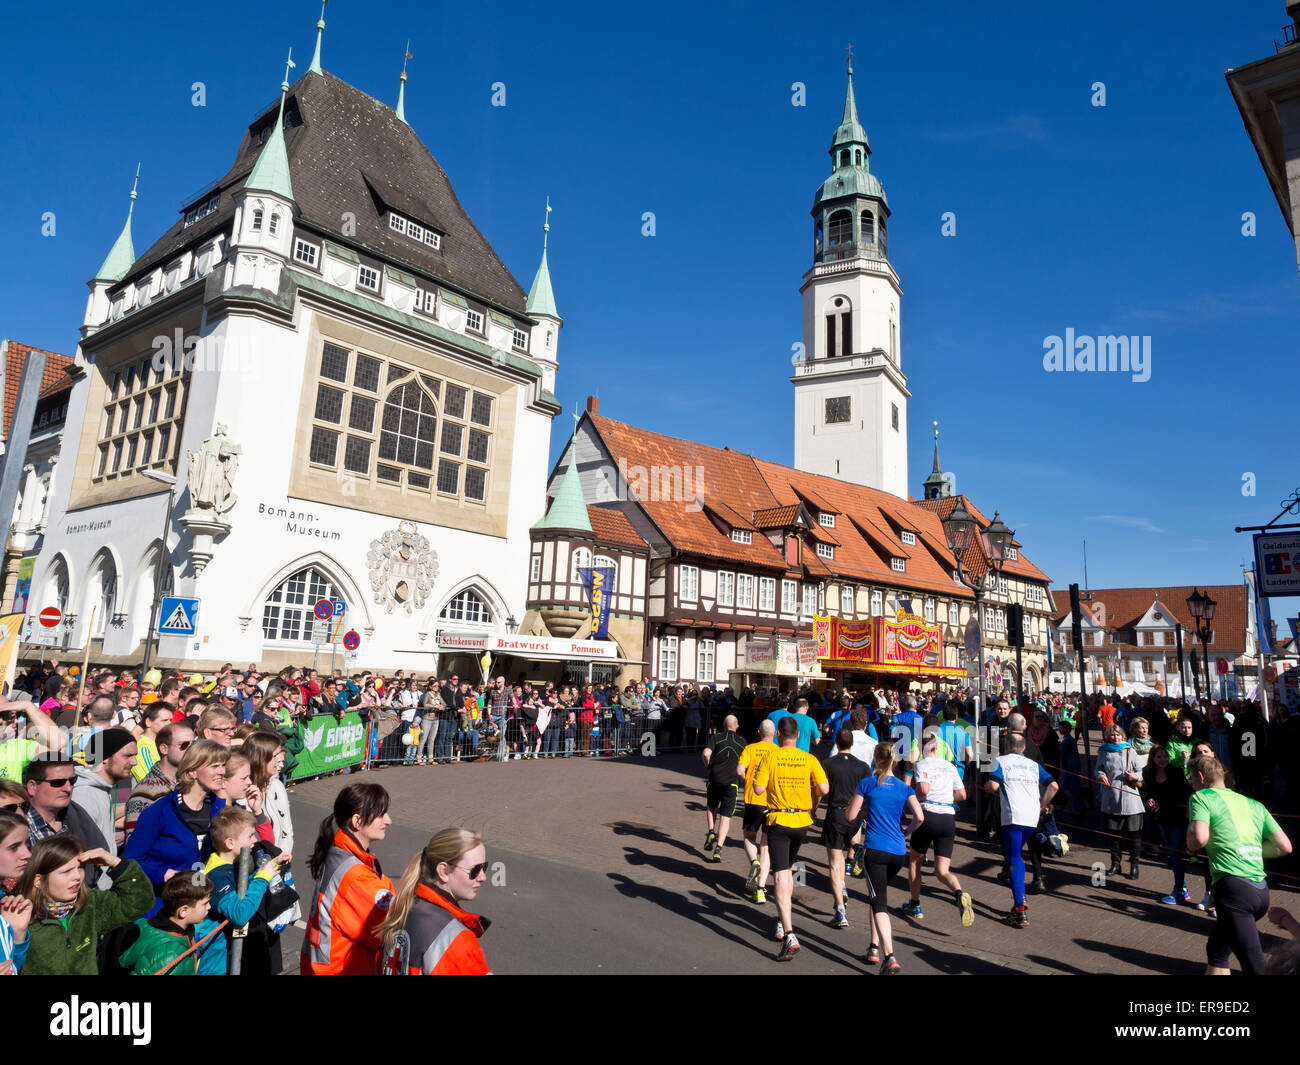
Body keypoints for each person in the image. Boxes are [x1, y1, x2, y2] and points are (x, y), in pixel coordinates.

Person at [1186, 754, 1293, 975]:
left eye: (1191, 778)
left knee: (1257, 968)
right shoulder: (1253, 803)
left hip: (1235, 893)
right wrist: (1251, 850)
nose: (1191, 784)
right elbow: (1284, 846)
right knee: (1217, 949)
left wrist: (1189, 846)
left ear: (1199, 776)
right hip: (1260, 892)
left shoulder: (1202, 797)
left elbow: (1198, 839)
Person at [15, 836, 154, 975]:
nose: (77, 876)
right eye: (66, 871)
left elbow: (141, 901)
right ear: (38, 881)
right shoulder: (19, 916)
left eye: (80, 868)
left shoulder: (90, 905)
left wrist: (117, 864)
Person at [752, 715, 829, 961]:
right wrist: (812, 796)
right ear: (797, 736)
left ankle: (789, 933)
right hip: (802, 822)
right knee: (791, 868)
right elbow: (825, 788)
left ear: (778, 736)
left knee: (781, 874)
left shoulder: (770, 756)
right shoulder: (809, 758)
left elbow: (758, 790)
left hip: (778, 820)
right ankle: (781, 920)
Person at [122, 739, 229, 913]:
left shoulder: (219, 809)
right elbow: (130, 862)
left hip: (202, 910)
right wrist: (163, 874)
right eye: (215, 766)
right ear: (192, 771)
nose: (222, 771)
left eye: (223, 765)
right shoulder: (160, 811)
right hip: (161, 910)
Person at [843, 742, 922, 974]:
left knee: (879, 903)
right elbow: (919, 817)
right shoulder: (903, 787)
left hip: (875, 851)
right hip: (898, 853)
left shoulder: (867, 783)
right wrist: (905, 833)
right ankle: (873, 947)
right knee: (877, 896)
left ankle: (890, 956)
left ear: (875, 759)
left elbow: (851, 815)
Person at [301, 782, 395, 974]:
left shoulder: (338, 852)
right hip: (342, 968)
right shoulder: (356, 876)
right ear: (357, 821)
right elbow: (388, 932)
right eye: (381, 814)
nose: (388, 820)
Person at [379, 828, 492, 974]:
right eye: (475, 870)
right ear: (443, 871)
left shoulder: (401, 908)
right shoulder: (456, 939)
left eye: (484, 867)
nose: (483, 877)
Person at [203, 806, 294, 975]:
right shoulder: (217, 875)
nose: (255, 840)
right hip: (217, 959)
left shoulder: (230, 861)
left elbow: (243, 887)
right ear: (230, 843)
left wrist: (274, 864)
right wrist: (262, 878)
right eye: (250, 836)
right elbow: (240, 913)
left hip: (229, 953)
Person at [986, 733, 1058, 928]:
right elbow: (1053, 785)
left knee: (1015, 859)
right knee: (1017, 858)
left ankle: (1019, 908)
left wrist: (987, 785)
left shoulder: (1000, 761)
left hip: (1012, 817)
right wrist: (1042, 806)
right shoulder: (1033, 765)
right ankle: (1020, 897)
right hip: (1032, 817)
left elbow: (993, 785)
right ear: (1024, 748)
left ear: (1007, 746)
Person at [906, 729, 973, 926]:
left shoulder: (922, 765)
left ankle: (915, 904)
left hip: (929, 815)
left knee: (915, 861)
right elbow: (962, 795)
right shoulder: (949, 766)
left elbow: (924, 789)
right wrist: (946, 799)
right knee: (942, 871)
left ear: (921, 748)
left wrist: (913, 797)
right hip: (947, 819)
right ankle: (959, 893)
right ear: (936, 746)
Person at [119, 872, 220, 976]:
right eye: (205, 904)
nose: (209, 907)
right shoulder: (171, 954)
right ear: (184, 911)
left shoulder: (148, 925)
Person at [70, 728, 137, 879]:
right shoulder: (83, 796)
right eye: (127, 756)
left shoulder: (102, 790)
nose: (134, 762)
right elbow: (83, 854)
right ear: (104, 757)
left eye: (134, 756)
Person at [822, 729, 868, 929]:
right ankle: (855, 855)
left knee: (834, 861)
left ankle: (840, 910)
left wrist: (813, 810)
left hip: (835, 813)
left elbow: (820, 791)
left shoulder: (828, 764)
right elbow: (867, 793)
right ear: (852, 744)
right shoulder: (863, 766)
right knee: (846, 852)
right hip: (855, 816)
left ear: (837, 743)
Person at [23, 758, 110, 854]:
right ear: (32, 787)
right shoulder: (16, 826)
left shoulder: (78, 816)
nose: (68, 788)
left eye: (72, 781)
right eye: (58, 783)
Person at [124, 722, 194, 837]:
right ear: (164, 748)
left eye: (193, 744)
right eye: (184, 744)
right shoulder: (144, 793)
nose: (191, 750)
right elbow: (135, 845)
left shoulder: (192, 784)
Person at [1143, 744, 1191, 905]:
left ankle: (1179, 891)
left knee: (1175, 853)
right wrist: (1149, 799)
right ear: (1153, 758)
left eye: (1165, 756)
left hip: (1178, 818)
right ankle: (1182, 888)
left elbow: (1183, 794)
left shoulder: (1176, 771)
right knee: (1172, 853)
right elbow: (1148, 792)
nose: (1163, 759)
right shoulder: (1148, 773)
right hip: (1161, 818)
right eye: (1159, 756)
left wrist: (1161, 802)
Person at [737, 719, 778, 902]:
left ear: (759, 733)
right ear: (775, 734)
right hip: (771, 803)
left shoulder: (750, 749)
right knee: (766, 846)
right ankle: (760, 890)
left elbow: (739, 770)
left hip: (753, 799)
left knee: (748, 836)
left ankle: (753, 861)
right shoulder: (778, 752)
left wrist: (747, 781)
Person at [1097, 724, 1144, 881]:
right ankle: (1115, 864)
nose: (1115, 738)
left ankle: (1134, 866)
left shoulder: (1129, 750)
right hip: (1111, 796)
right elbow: (1099, 768)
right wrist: (1100, 775)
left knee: (1133, 834)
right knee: (1113, 834)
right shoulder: (1103, 750)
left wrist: (1135, 777)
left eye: (1118, 735)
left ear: (1123, 736)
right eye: (1112, 735)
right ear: (1107, 737)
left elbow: (1142, 770)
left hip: (1130, 796)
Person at [701, 715, 745, 862]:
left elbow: (706, 753)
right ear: (737, 726)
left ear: (723, 725)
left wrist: (708, 765)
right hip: (732, 782)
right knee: (726, 816)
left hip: (715, 779)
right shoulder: (742, 742)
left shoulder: (717, 737)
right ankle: (719, 847)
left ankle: (711, 831)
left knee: (711, 806)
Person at [244, 731, 293, 854]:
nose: (280, 760)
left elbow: (287, 830)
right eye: (275, 755)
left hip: (279, 861)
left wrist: (281, 857)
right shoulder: (243, 792)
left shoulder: (277, 786)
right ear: (261, 758)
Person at [0, 810, 32, 973]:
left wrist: (18, 935)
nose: (27, 854)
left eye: (27, 844)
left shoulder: (5, 902)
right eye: (14, 847)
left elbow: (11, 968)